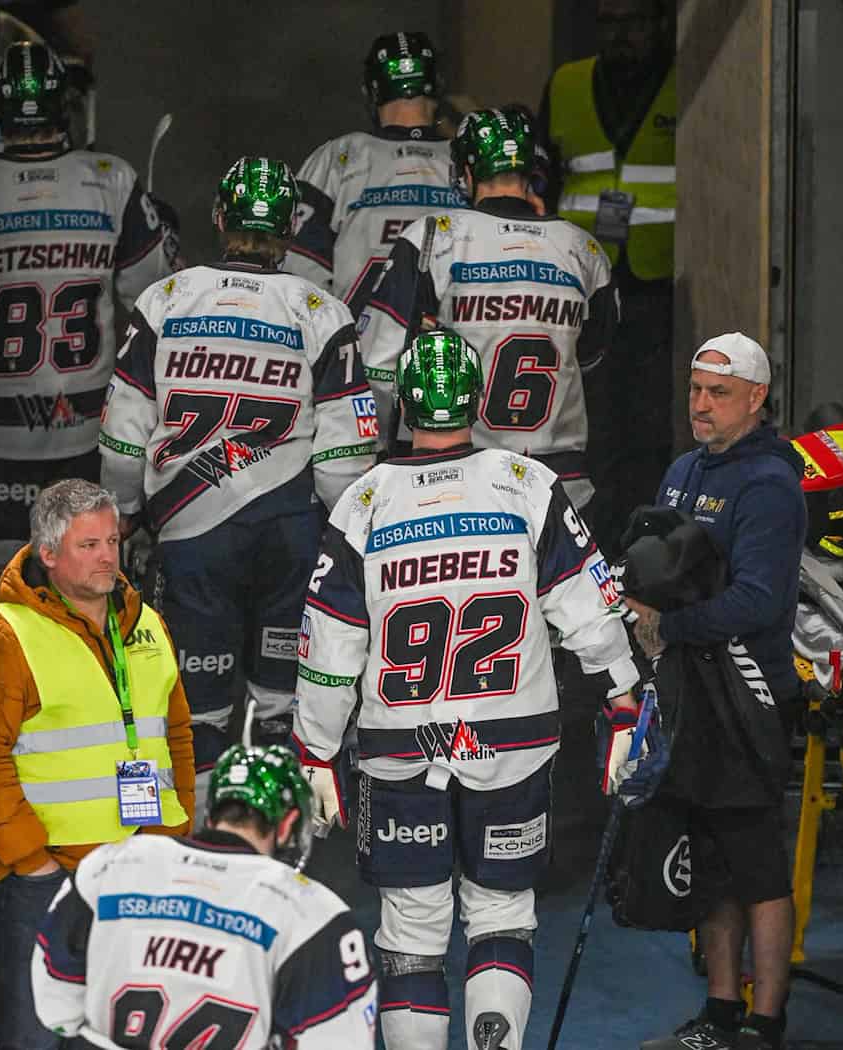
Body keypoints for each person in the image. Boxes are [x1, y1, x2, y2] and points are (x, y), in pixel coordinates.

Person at [292, 329, 641, 1050]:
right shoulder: (528, 487)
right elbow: (591, 610)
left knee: (412, 933)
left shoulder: (362, 502)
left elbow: (329, 650)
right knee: (502, 915)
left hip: (398, 752)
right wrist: (624, 698)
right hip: (513, 743)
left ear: (404, 403)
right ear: (478, 398)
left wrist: (314, 749)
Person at [97, 155, 378, 816]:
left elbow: (120, 433)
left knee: (200, 706)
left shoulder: (165, 299)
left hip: (193, 533)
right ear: (290, 226)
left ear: (219, 217)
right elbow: (345, 452)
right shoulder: (320, 308)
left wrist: (127, 510)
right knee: (283, 700)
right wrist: (344, 533)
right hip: (290, 527)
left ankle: (203, 844)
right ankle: (283, 844)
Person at [0, 478, 196, 1050]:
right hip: (48, 878)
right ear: (49, 553)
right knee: (34, 1035)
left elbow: (176, 734)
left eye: (112, 541)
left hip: (140, 871)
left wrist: (173, 833)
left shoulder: (146, 623)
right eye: (90, 545)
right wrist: (30, 861)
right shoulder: (2, 635)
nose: (108, 556)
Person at [629, 332, 804, 1050]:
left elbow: (760, 602)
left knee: (755, 859)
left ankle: (767, 1022)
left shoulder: (769, 484)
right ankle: (722, 1010)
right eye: (696, 390)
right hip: (689, 693)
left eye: (718, 393)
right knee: (706, 858)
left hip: (747, 699)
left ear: (756, 399)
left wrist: (669, 625)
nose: (701, 405)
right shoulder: (682, 470)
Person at [32, 742, 378, 1049]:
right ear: (287, 825)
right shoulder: (314, 913)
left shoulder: (113, 864)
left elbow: (55, 1004)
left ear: (212, 811)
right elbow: (337, 1039)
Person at [359, 107, 618, 511]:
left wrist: (373, 461)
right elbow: (594, 363)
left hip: (454, 477)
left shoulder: (433, 238)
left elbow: (379, 364)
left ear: (466, 168)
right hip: (558, 483)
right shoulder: (583, 250)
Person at [0, 41, 174, 584]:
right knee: (84, 585)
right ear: (62, 103)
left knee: (1, 587)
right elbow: (153, 296)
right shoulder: (110, 178)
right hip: (86, 430)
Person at [540, 0, 678, 554]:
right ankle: (587, 540)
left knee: (647, 419)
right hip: (578, 285)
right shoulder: (568, 84)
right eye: (612, 24)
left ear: (659, 24)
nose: (623, 36)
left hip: (655, 280)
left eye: (636, 23)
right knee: (589, 416)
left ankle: (636, 539)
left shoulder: (682, 85)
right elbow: (544, 178)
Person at [285, 31, 466, 319]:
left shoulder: (338, 157)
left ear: (372, 90)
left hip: (360, 355)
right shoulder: (467, 160)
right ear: (437, 84)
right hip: (457, 357)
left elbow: (300, 271)